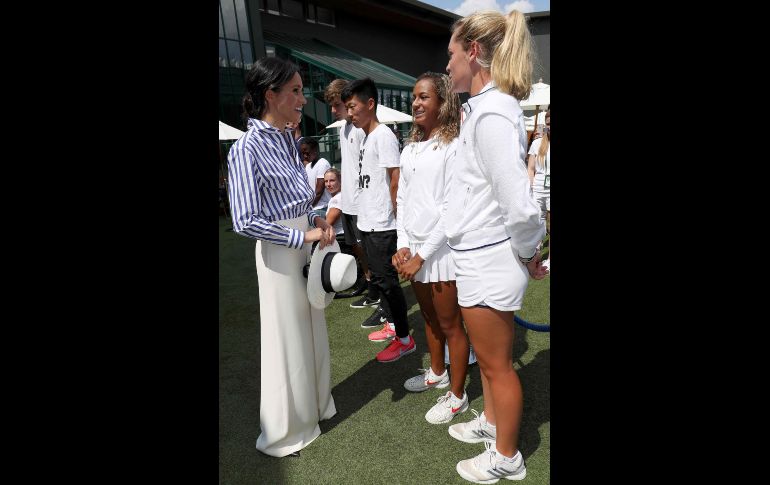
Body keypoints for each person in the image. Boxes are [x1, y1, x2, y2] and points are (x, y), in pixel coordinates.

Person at [443, 9, 548, 483]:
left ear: (474, 53)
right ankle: (491, 424)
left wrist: (529, 253)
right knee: (489, 361)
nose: (447, 67)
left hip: (490, 257)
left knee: (497, 365)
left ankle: (507, 457)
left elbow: (520, 206)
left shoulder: (491, 116)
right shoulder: (485, 111)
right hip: (479, 255)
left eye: (451, 55)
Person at [226, 56, 337, 458]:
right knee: (286, 336)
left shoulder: (289, 140)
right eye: (294, 90)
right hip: (278, 254)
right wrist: (299, 234)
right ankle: (288, 427)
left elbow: (299, 200)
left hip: (304, 244)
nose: (303, 99)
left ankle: (316, 407)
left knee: (313, 328)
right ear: (269, 94)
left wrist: (317, 218)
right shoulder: (245, 148)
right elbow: (244, 219)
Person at [389, 71, 472, 424]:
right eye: (414, 97)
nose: (416, 103)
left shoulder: (455, 146)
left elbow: (454, 208)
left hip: (444, 252)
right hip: (417, 253)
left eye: (424, 97)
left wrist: (423, 255)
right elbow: (404, 200)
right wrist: (403, 246)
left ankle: (458, 396)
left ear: (442, 101)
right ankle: (437, 372)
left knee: (451, 325)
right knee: (428, 319)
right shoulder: (409, 149)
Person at [341, 77, 415, 362]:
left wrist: (397, 218)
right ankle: (393, 326)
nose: (349, 113)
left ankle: (405, 339)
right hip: (368, 221)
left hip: (383, 224)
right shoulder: (367, 136)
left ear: (370, 104)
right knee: (380, 280)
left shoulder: (383, 135)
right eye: (347, 108)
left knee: (388, 282)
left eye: (352, 106)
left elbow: (395, 178)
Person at [323, 79, 373, 302]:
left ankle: (378, 295)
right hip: (349, 203)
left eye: (337, 105)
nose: (333, 110)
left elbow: (367, 168)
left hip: (362, 205)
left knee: (370, 253)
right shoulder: (345, 128)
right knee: (359, 251)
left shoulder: (362, 129)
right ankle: (369, 288)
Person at [527, 108, 550, 271]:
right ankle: (535, 254)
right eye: (548, 123)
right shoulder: (536, 143)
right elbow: (530, 168)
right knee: (537, 223)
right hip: (538, 188)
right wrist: (531, 187)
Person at [300, 138, 332, 218]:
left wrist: (308, 208)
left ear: (315, 150)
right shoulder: (308, 166)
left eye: (307, 153)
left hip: (322, 207)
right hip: (313, 207)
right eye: (303, 153)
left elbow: (318, 192)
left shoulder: (323, 163)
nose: (305, 156)